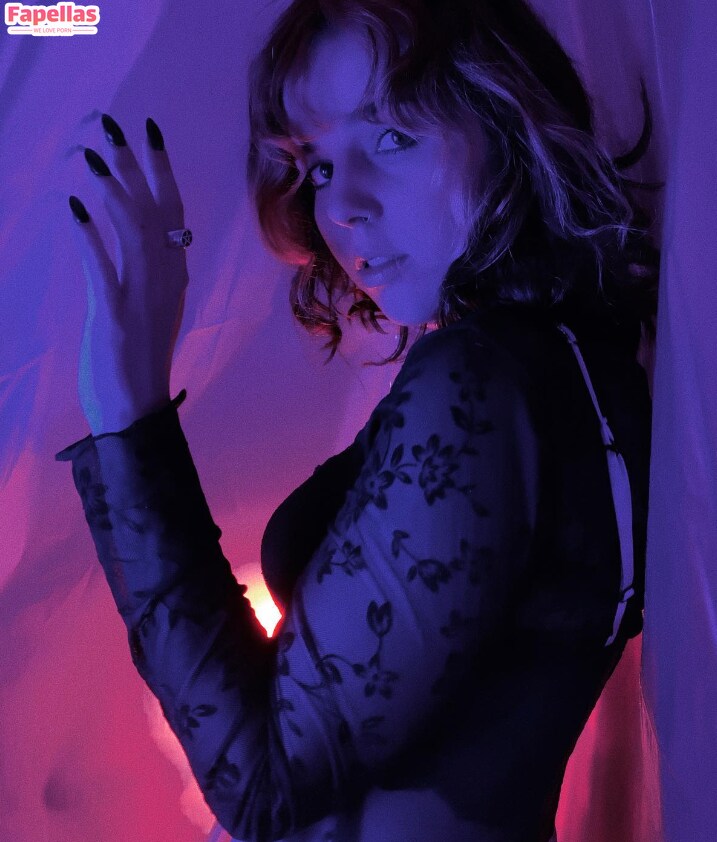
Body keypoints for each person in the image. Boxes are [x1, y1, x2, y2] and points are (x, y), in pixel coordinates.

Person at [56, 0, 659, 840]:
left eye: (392, 136)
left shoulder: (485, 379)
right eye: (317, 165)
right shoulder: (561, 365)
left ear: (504, 119)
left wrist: (126, 409)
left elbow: (263, 788)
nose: (341, 205)